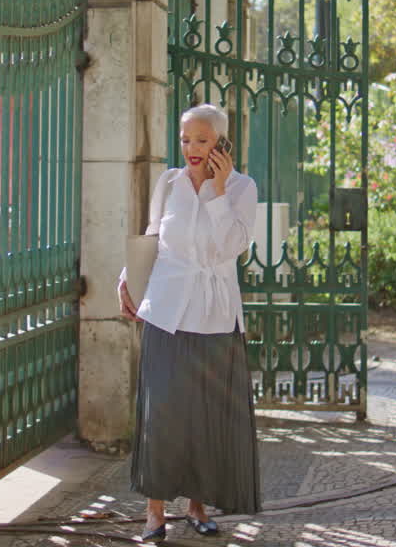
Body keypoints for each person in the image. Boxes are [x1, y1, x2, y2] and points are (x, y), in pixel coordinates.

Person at [117, 103, 261, 542]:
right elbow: (153, 234)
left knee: (204, 417)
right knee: (160, 413)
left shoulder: (242, 188)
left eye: (202, 140)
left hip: (216, 318)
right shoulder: (168, 182)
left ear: (221, 143)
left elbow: (230, 246)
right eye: (185, 139)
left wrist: (217, 191)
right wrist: (126, 279)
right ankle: (154, 513)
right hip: (165, 310)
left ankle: (197, 506)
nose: (192, 149)